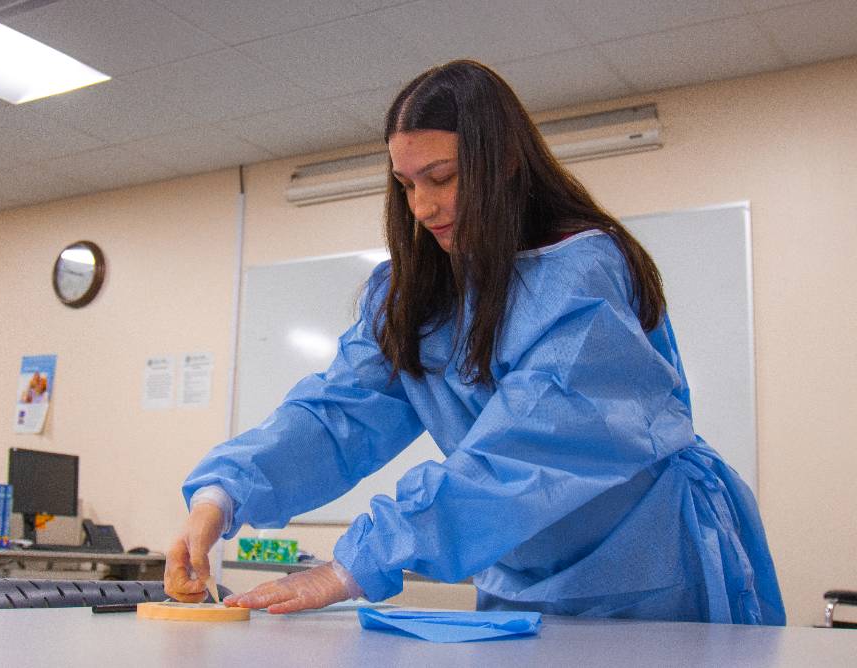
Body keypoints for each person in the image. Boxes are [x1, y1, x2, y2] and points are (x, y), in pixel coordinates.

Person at [164, 60, 786, 624]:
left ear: (505, 162)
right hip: (517, 570)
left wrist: (354, 565)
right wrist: (222, 495)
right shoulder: (414, 293)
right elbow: (337, 414)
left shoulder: (580, 276)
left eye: (442, 177)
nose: (424, 208)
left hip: (645, 563)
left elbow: (525, 453)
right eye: (406, 184)